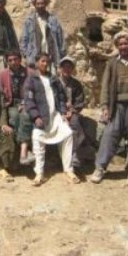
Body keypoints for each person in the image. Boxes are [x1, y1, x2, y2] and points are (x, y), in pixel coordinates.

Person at [90, 31, 128, 186]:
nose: (123, 46)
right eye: (120, 44)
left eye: (126, 44)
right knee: (110, 135)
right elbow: (105, 85)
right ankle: (100, 167)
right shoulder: (112, 63)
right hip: (117, 106)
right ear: (117, 46)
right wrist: (105, 105)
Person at [24, 53, 80, 186]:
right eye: (42, 61)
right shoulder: (31, 79)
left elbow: (61, 97)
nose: (45, 64)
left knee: (68, 134)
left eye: (47, 61)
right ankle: (39, 173)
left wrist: (63, 113)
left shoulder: (53, 78)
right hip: (41, 118)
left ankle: (69, 170)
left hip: (55, 116)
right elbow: (29, 100)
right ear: (36, 62)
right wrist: (35, 116)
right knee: (37, 137)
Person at [0, 50, 34, 165]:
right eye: (10, 60)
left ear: (20, 59)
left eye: (15, 59)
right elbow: (1, 95)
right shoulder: (3, 74)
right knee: (14, 118)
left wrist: (25, 102)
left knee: (26, 116)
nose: (13, 62)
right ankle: (25, 149)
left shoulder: (29, 73)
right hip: (11, 104)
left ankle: (23, 152)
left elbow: (34, 91)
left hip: (27, 103)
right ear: (7, 62)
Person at [20, 0, 66, 71]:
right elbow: (24, 39)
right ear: (34, 5)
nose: (40, 6)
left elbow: (60, 39)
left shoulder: (53, 20)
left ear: (46, 5)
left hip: (51, 57)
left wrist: (61, 55)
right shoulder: (29, 21)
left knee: (50, 77)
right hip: (34, 59)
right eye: (38, 4)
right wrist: (26, 55)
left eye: (42, 3)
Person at [57, 56, 89, 168]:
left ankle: (74, 154)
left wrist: (72, 110)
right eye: (64, 67)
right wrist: (61, 112)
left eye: (69, 67)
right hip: (57, 112)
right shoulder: (55, 82)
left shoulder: (76, 84)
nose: (67, 70)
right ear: (60, 68)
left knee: (75, 124)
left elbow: (80, 101)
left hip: (72, 112)